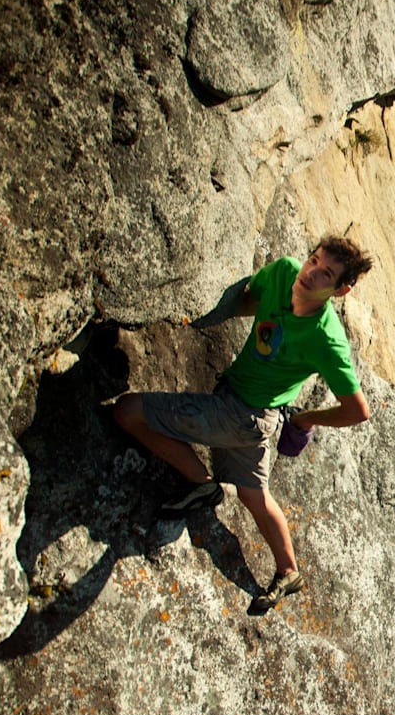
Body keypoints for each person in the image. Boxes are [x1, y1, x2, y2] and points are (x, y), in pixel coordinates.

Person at [113, 236, 373, 616]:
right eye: (313, 261)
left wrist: (303, 419)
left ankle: (200, 485)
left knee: (127, 410)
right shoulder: (284, 273)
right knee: (253, 495)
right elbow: (250, 298)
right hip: (252, 416)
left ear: (341, 289)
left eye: (327, 274)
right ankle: (289, 571)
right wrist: (199, 314)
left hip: (243, 415)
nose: (311, 273)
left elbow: (357, 410)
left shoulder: (326, 340)